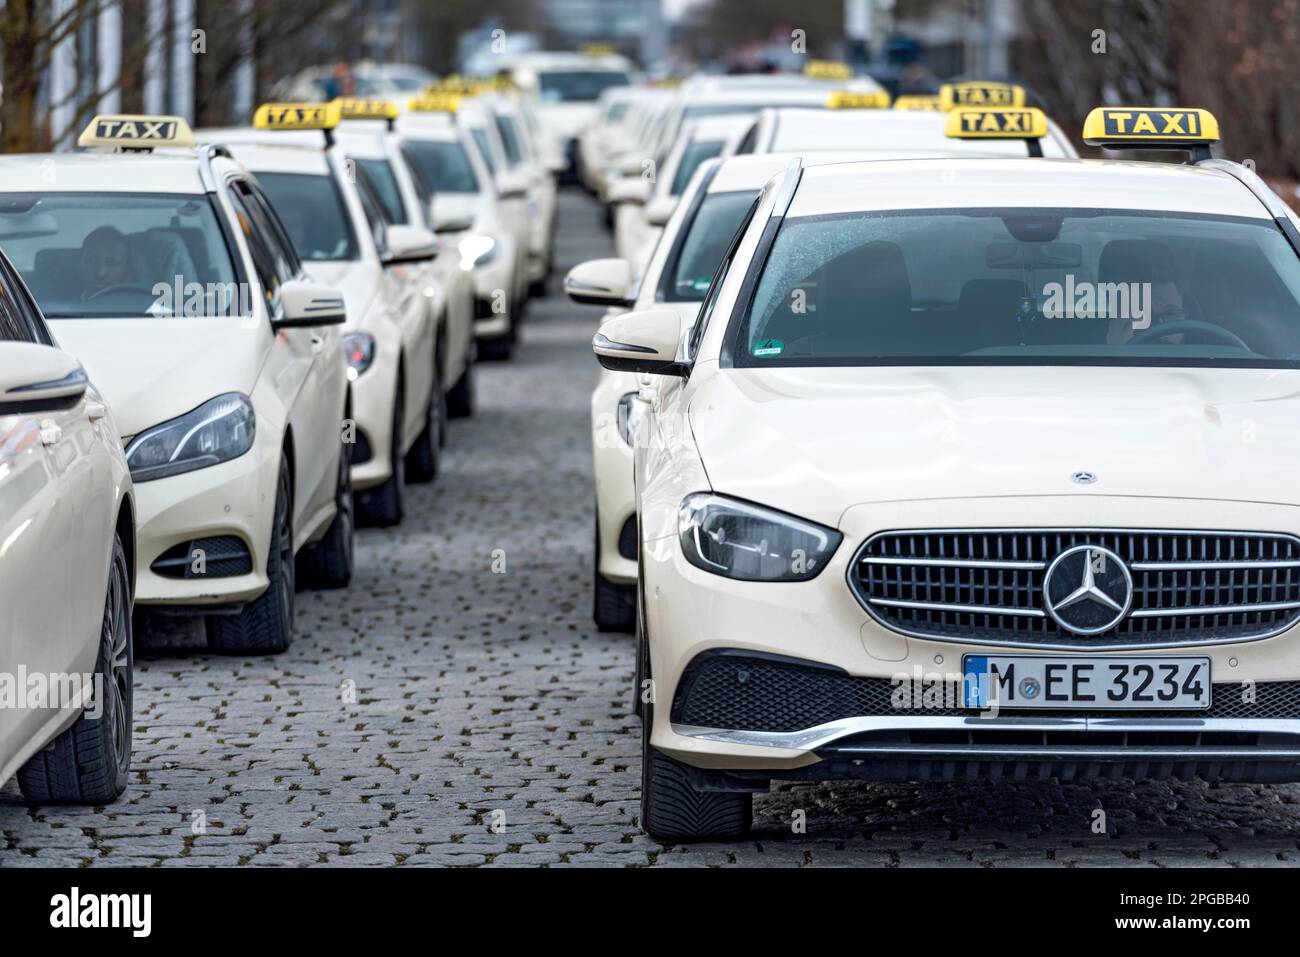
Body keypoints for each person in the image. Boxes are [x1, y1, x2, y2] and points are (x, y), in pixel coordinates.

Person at [79, 226, 131, 298]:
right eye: (93, 261)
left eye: (111, 263)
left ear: (126, 269)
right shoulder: (59, 304)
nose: (100, 273)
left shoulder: (141, 307)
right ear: (80, 263)